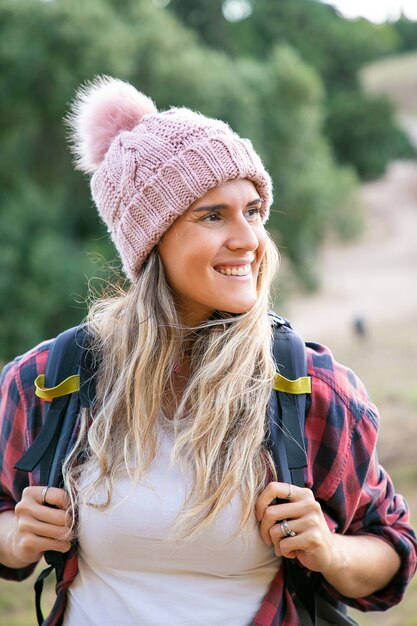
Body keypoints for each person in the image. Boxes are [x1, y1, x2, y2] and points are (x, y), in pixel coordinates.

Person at [0, 76, 415, 626]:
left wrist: (329, 549)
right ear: (151, 240)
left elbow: (392, 554)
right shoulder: (51, 381)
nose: (249, 239)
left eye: (254, 210)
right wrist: (15, 538)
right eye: (213, 215)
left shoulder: (310, 388)